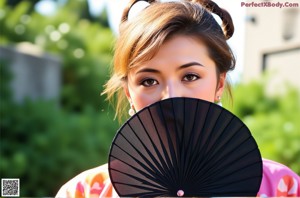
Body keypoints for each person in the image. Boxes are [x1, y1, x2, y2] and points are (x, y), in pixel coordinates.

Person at [56, 0, 300, 197]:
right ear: (129, 93)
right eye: (148, 81)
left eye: (190, 76)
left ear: (219, 83)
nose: (171, 97)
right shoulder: (84, 192)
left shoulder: (282, 188)